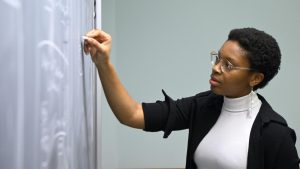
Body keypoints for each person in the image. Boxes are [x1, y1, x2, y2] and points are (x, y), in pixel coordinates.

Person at [83, 28, 300, 169]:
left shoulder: (275, 133)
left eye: (228, 65)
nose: (216, 68)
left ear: (255, 78)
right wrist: (103, 63)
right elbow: (131, 114)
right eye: (218, 58)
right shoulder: (203, 106)